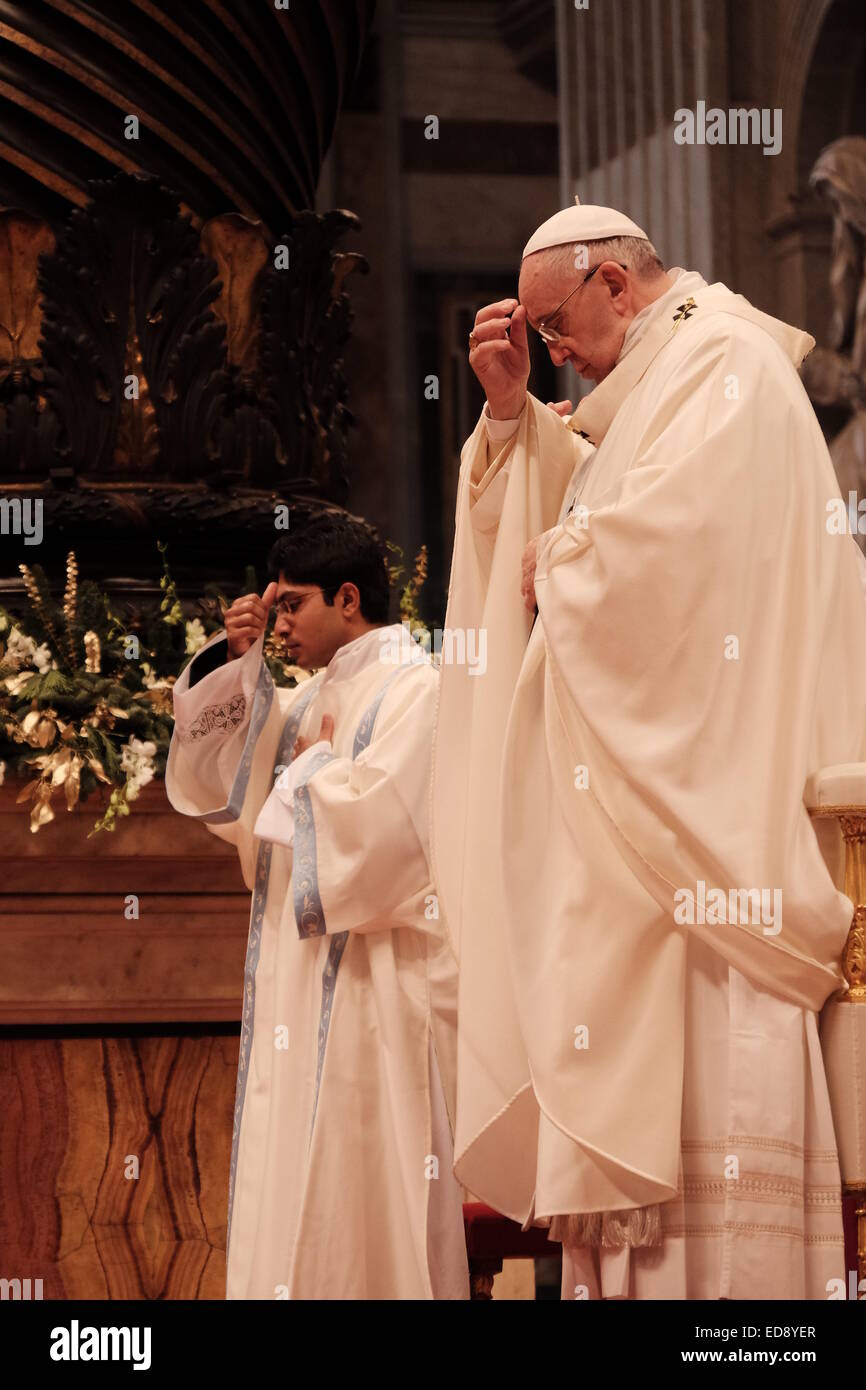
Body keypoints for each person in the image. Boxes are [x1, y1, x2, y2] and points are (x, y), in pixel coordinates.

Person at [431, 197, 866, 1299]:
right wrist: (505, 420)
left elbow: (682, 555)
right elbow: (572, 510)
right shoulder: (649, 387)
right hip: (642, 841)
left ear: (614, 282)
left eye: (553, 325)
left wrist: (568, 565)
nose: (551, 349)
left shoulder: (724, 363)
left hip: (710, 843)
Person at [166, 511, 468, 1300]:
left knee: (361, 1192)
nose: (282, 621)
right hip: (291, 985)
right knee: (286, 1177)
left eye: (292, 605)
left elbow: (389, 834)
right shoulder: (302, 699)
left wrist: (314, 772)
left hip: (376, 985)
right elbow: (228, 797)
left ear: (347, 597)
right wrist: (238, 666)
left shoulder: (420, 688)